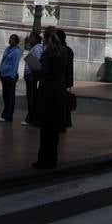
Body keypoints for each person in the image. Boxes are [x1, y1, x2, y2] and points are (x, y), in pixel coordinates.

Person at [31, 25, 71, 169]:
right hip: (60, 91)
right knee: (55, 130)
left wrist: (33, 64)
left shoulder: (49, 53)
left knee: (45, 129)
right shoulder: (64, 51)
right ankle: (53, 159)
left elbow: (43, 72)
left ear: (47, 38)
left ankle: (43, 160)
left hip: (48, 92)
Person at [0, 33, 21, 122]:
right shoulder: (7, 49)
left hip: (10, 76)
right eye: (10, 38)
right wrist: (0, 71)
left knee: (10, 96)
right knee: (5, 96)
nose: (10, 40)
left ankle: (8, 116)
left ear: (16, 42)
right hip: (4, 75)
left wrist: (12, 77)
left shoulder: (16, 52)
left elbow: (15, 65)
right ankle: (5, 114)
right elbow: (3, 61)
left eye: (13, 39)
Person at [22, 31, 43, 126]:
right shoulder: (34, 48)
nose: (29, 39)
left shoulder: (37, 48)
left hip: (31, 76)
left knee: (31, 97)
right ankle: (31, 117)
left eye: (31, 37)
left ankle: (31, 118)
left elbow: (36, 63)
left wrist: (32, 75)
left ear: (36, 38)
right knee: (30, 97)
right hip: (30, 75)